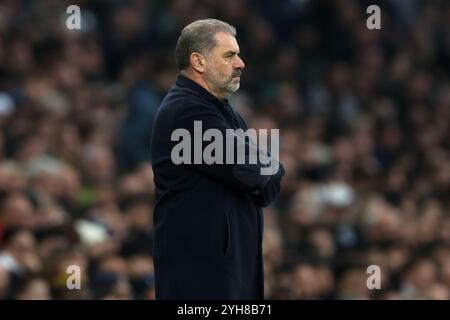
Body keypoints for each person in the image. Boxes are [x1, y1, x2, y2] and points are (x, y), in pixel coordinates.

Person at [150, 18, 285, 299]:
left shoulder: (224, 112)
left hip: (227, 271)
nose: (241, 63)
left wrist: (267, 168)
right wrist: (267, 166)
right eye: (229, 55)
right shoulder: (185, 112)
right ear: (198, 62)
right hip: (202, 276)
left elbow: (268, 183)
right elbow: (257, 172)